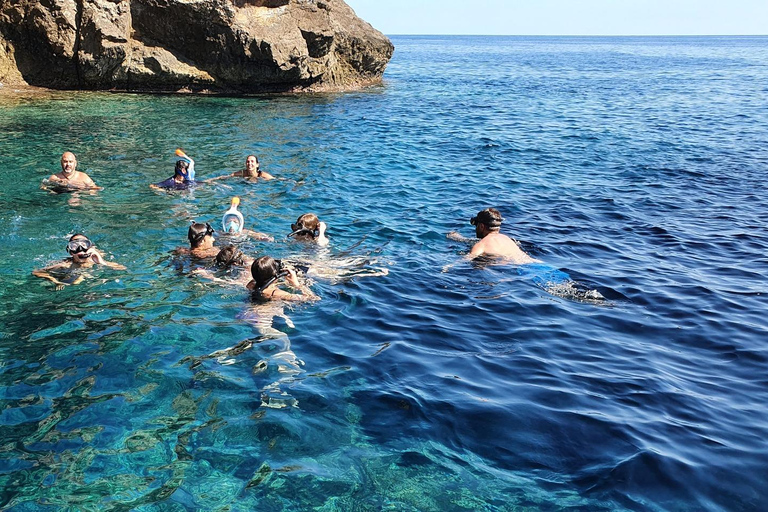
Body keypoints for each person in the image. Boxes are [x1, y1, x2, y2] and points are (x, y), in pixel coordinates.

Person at [32, 233, 125, 290]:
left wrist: (101, 262)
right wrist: (56, 281)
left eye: (84, 244)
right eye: (75, 246)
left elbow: (122, 269)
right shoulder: (65, 265)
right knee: (75, 281)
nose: (80, 249)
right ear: (71, 252)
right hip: (71, 276)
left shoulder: (94, 259)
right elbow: (36, 272)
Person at [448, 207, 540, 264]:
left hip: (514, 269)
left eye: (476, 225)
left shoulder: (481, 245)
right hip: (533, 263)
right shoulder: (507, 240)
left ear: (482, 226)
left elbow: (466, 259)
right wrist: (457, 237)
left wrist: (447, 267)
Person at [247, 256, 317, 302]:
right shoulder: (277, 293)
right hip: (262, 319)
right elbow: (312, 298)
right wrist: (297, 284)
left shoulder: (251, 285)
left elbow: (264, 277)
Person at [206, 155, 274, 182]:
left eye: (252, 161)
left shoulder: (262, 175)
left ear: (257, 165)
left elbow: (275, 180)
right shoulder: (242, 173)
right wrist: (211, 180)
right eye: (248, 162)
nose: (249, 163)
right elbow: (227, 176)